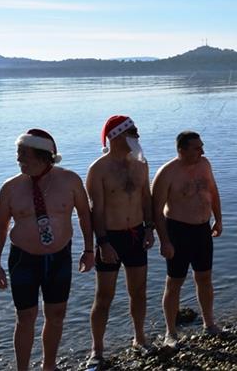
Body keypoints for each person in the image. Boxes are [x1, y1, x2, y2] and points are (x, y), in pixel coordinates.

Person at [0, 129, 94, 371]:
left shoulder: (70, 180)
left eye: (23, 153)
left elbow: (85, 217)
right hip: (23, 258)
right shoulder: (11, 187)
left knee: (56, 314)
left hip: (59, 257)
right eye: (18, 153)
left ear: (43, 155)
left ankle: (49, 366)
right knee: (25, 317)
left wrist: (89, 250)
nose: (18, 159)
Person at [86, 116, 154, 368]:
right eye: (133, 133)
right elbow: (97, 211)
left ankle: (139, 337)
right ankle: (97, 348)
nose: (137, 137)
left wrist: (149, 229)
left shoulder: (140, 164)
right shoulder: (99, 169)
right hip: (111, 237)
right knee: (104, 295)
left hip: (136, 233)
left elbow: (146, 199)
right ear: (116, 136)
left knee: (138, 291)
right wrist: (102, 242)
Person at [152, 131, 222, 345]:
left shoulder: (204, 164)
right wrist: (164, 241)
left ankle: (209, 324)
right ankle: (170, 332)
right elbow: (155, 212)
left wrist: (218, 219)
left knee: (204, 277)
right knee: (174, 282)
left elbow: (213, 191)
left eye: (202, 146)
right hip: (178, 231)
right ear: (181, 150)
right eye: (197, 148)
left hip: (202, 229)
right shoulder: (167, 173)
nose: (202, 151)